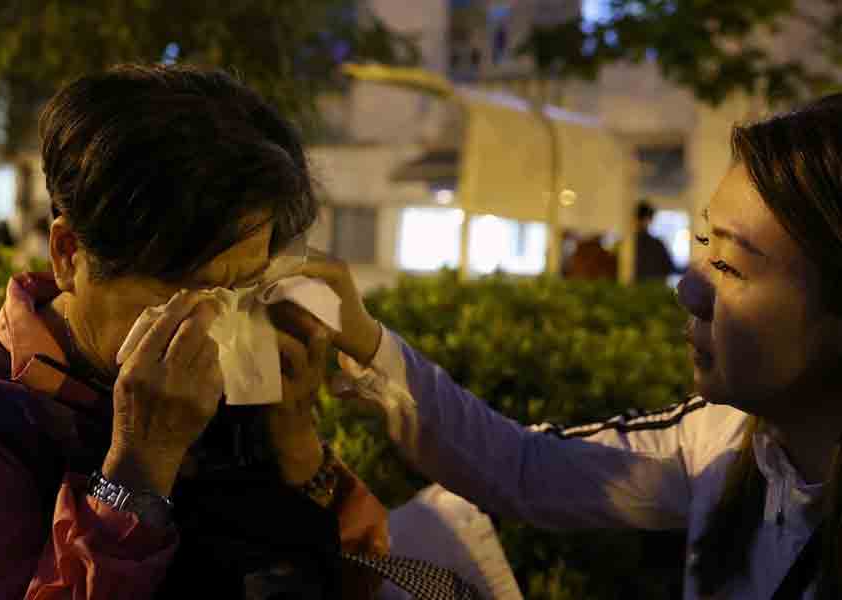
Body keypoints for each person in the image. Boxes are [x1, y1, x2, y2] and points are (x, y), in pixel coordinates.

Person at [302, 94, 842, 598]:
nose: (688, 290)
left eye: (729, 264)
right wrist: (368, 342)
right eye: (703, 244)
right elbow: (522, 468)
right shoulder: (719, 440)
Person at [0, 64, 389, 599]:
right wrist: (138, 469)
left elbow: (366, 580)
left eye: (245, 286)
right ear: (68, 254)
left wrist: (293, 438)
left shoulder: (238, 379)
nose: (219, 321)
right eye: (186, 289)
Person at [634, 200, 679, 281]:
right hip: (655, 290)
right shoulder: (657, 244)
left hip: (637, 290)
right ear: (649, 219)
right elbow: (670, 267)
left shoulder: (630, 244)